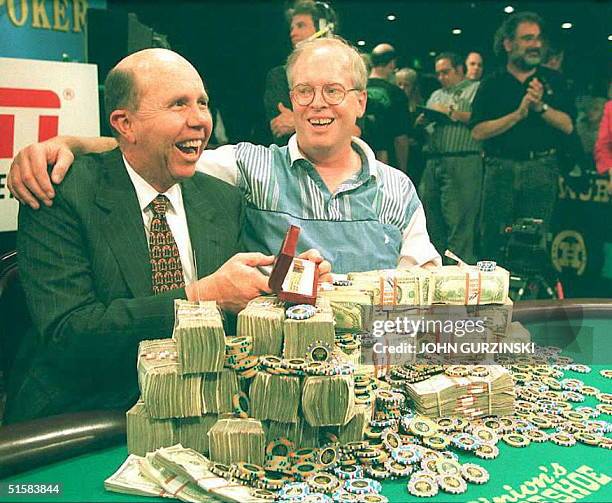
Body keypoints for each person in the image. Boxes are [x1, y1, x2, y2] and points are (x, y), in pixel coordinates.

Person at [4, 49, 327, 423]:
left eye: (202, 103)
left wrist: (289, 286)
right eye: (178, 104)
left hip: (202, 406)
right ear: (125, 123)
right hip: (86, 413)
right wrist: (199, 297)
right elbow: (69, 335)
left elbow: (236, 309)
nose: (199, 120)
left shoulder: (222, 199)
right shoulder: (59, 193)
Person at [9, 37, 441, 274]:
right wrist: (72, 144)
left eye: (333, 91)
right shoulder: (250, 167)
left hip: (374, 363)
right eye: (304, 92)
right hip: (277, 372)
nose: (318, 104)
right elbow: (156, 150)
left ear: (361, 102)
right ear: (290, 100)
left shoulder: (396, 188)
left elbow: (423, 292)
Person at [471, 11, 574, 262]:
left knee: (533, 243)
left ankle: (530, 299)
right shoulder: (492, 83)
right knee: (494, 238)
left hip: (541, 169)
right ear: (508, 44)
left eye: (538, 39)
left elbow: (568, 126)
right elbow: (478, 131)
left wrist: (541, 108)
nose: (536, 45)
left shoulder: (554, 80)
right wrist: (517, 115)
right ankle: (493, 299)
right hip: (500, 169)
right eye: (527, 38)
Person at [417, 52, 482, 263]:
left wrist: (450, 112)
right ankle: (435, 268)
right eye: (438, 74)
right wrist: (423, 120)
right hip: (434, 159)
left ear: (460, 69)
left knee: (460, 220)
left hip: (462, 159)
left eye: (446, 72)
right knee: (430, 218)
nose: (441, 77)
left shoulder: (475, 90)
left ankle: (460, 272)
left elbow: (481, 119)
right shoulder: (436, 95)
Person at [263, 0, 337, 146]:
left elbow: (355, 130)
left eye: (300, 26)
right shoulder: (279, 76)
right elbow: (280, 126)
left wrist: (297, 122)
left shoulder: (343, 73)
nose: (293, 33)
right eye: (292, 28)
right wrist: (328, 123)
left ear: (323, 28)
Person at [361, 43, 410, 173]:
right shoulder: (396, 93)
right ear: (392, 63)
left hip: (357, 159)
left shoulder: (357, 90)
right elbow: (401, 138)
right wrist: (403, 170)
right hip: (387, 164)